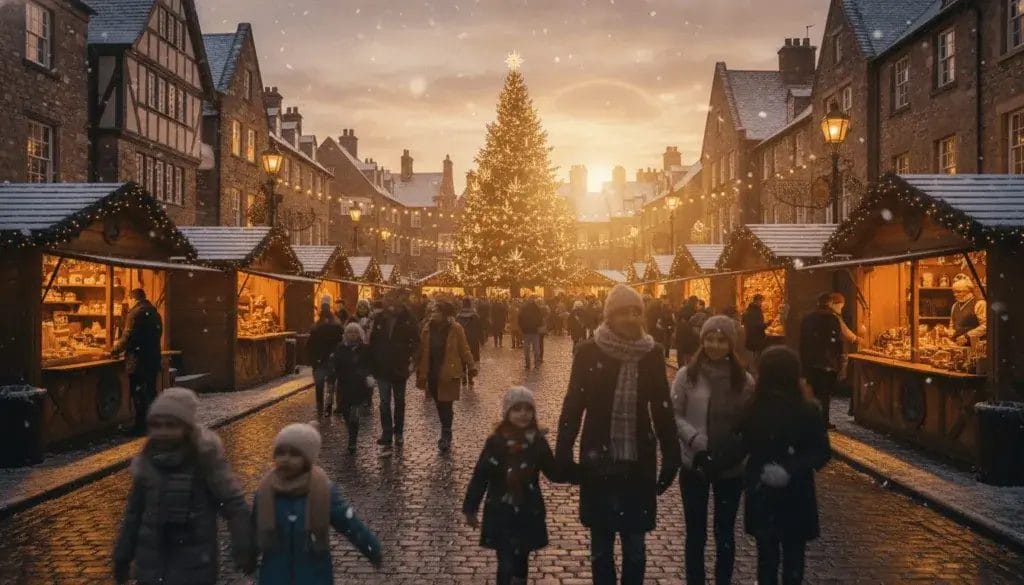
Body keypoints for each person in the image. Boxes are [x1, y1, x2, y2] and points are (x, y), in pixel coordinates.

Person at [556, 284, 680, 585]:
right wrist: (563, 452)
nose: (630, 317)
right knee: (601, 547)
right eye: (624, 311)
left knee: (635, 548)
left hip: (638, 461)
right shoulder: (588, 351)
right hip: (599, 460)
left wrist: (672, 455)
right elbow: (574, 404)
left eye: (636, 311)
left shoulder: (652, 353)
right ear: (609, 315)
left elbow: (662, 408)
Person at [114, 388, 252, 585]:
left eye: (171, 425)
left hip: (194, 567)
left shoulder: (204, 460)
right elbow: (134, 514)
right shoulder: (146, 463)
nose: (162, 432)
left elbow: (233, 504)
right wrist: (123, 555)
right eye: (156, 425)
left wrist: (244, 544)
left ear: (186, 427)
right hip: (151, 567)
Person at [733, 346, 831, 585]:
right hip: (795, 493)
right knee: (793, 560)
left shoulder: (753, 407)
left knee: (767, 560)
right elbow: (821, 451)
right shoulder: (807, 409)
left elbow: (739, 445)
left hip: (763, 491)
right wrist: (794, 468)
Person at [672, 315, 755, 585]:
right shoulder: (687, 375)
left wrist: (733, 451)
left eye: (721, 340)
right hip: (694, 463)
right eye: (710, 339)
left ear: (731, 344)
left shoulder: (744, 381)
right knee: (696, 533)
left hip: (730, 466)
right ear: (702, 340)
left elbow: (749, 422)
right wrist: (695, 440)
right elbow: (675, 415)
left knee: (725, 532)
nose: (715, 345)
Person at [463, 386, 574, 585]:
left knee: (521, 559)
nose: (523, 414)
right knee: (505, 561)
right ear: (507, 413)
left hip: (527, 510)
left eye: (527, 409)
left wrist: (578, 472)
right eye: (517, 409)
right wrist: (470, 508)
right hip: (500, 510)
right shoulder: (496, 442)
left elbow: (554, 472)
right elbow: (481, 476)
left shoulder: (538, 442)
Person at [251, 422, 382, 583]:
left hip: (313, 575)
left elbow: (349, 523)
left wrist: (371, 547)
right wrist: (246, 554)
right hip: (274, 575)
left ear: (307, 458)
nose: (285, 459)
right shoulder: (265, 490)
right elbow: (254, 530)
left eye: (294, 454)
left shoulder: (323, 490)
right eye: (280, 453)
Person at [416, 300, 476, 453]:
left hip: (449, 372)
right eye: (432, 311)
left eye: (436, 311)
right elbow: (421, 348)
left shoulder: (456, 328)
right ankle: (445, 428)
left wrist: (471, 365)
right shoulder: (427, 328)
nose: (433, 314)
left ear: (444, 314)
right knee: (438, 403)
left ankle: (446, 433)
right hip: (432, 372)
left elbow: (464, 348)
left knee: (446, 404)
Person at [800, 292, 859, 429]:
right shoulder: (833, 319)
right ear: (830, 303)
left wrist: (804, 363)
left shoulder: (808, 318)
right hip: (827, 364)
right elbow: (837, 343)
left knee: (813, 392)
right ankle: (823, 421)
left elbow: (803, 343)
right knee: (825, 395)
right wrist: (839, 363)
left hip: (811, 363)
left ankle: (811, 420)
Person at [368, 296, 420, 451]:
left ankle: (398, 432)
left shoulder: (409, 319)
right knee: (384, 402)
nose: (390, 305)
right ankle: (387, 433)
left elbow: (416, 341)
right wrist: (373, 361)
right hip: (382, 366)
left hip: (399, 366)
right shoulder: (380, 318)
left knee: (399, 401)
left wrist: (410, 358)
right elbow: (373, 341)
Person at [112, 288, 164, 435]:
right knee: (151, 392)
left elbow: (127, 336)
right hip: (152, 359)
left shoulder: (135, 314)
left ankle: (141, 426)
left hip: (138, 360)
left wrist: (114, 350)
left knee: (138, 393)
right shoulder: (155, 313)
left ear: (133, 299)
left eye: (128, 299)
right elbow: (159, 333)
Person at [332, 323, 375, 454]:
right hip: (344, 386)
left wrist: (366, 375)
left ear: (359, 334)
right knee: (345, 412)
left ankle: (352, 442)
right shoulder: (340, 348)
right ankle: (351, 431)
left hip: (359, 386)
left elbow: (370, 364)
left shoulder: (364, 349)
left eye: (354, 332)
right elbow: (336, 365)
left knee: (354, 416)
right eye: (349, 332)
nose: (352, 335)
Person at [308, 301, 345, 416]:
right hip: (329, 360)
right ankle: (327, 408)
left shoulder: (316, 325)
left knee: (320, 386)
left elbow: (310, 345)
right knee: (329, 385)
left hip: (321, 360)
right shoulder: (336, 324)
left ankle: (321, 408)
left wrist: (313, 359)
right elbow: (340, 342)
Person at [457, 297, 484, 389]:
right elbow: (480, 329)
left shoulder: (458, 316)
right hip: (473, 340)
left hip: (461, 341)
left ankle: (464, 377)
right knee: (471, 359)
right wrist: (482, 339)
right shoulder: (475, 316)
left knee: (462, 360)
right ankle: (470, 377)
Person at [950, 277, 987, 345]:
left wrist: (967, 336)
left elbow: (985, 326)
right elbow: (952, 325)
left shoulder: (980, 303)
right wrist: (950, 332)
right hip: (959, 345)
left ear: (969, 291)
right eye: (954, 292)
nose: (955, 294)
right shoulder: (954, 306)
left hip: (975, 346)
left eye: (959, 291)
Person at [518, 297, 544, 369]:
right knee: (536, 348)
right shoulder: (537, 309)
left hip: (526, 332)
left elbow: (519, 319)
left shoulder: (523, 309)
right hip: (535, 331)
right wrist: (538, 326)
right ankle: (536, 364)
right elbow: (540, 319)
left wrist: (522, 328)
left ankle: (527, 364)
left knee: (526, 349)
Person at [742, 294, 768, 363]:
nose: (762, 303)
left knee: (751, 358)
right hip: (757, 338)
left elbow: (743, 321)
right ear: (758, 300)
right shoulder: (757, 311)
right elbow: (758, 326)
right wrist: (767, 324)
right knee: (757, 359)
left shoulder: (748, 310)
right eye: (761, 301)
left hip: (749, 337)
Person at [674, 296, 700, 366]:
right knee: (689, 357)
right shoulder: (694, 312)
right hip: (689, 337)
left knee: (680, 356)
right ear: (695, 302)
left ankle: (681, 371)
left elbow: (676, 321)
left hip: (680, 336)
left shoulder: (681, 310)